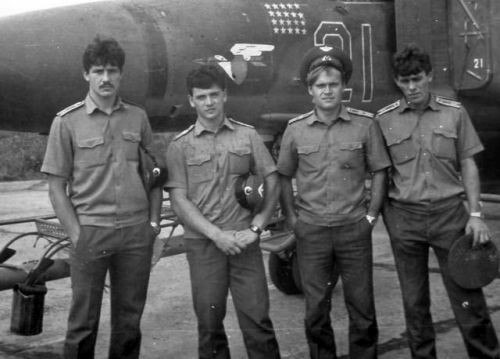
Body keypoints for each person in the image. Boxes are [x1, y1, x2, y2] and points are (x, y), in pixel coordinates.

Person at [41, 36, 163, 359]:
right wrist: (77, 234)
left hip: (136, 234)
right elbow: (56, 187)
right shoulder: (66, 122)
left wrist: (152, 225)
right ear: (86, 75)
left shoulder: (138, 118)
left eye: (112, 70)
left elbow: (154, 178)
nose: (105, 78)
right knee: (82, 324)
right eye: (98, 71)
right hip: (91, 232)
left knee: (129, 322)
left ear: (121, 74)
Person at [376, 44, 500, 358]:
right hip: (406, 221)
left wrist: (475, 214)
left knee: (468, 298)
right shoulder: (384, 120)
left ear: (429, 75)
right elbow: (380, 172)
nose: (412, 87)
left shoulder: (454, 112)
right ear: (397, 82)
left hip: (450, 218)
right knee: (414, 304)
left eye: (417, 78)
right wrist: (390, 220)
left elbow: (469, 164)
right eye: (404, 81)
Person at [277, 45, 390, 359]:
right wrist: (292, 221)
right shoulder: (295, 130)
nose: (327, 91)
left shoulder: (365, 125)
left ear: (343, 87)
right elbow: (283, 176)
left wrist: (370, 217)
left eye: (333, 84)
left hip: (353, 230)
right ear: (310, 91)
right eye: (321, 86)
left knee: (362, 308)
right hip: (312, 232)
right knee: (315, 311)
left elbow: (380, 171)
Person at [165, 64, 281, 359]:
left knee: (258, 323)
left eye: (214, 95)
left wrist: (256, 228)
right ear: (191, 100)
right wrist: (216, 235)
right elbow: (179, 200)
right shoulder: (180, 146)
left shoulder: (248, 136)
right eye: (201, 97)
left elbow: (272, 180)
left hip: (244, 244)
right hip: (204, 246)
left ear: (225, 95)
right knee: (209, 325)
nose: (209, 103)